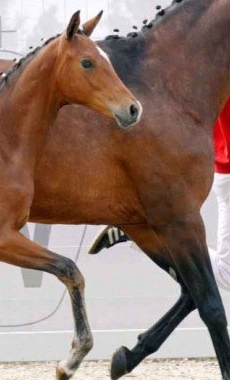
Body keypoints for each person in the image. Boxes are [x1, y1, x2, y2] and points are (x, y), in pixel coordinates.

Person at [89, 99, 230, 289]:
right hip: (225, 171)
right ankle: (146, 232)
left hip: (223, 167)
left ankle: (147, 233)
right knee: (227, 274)